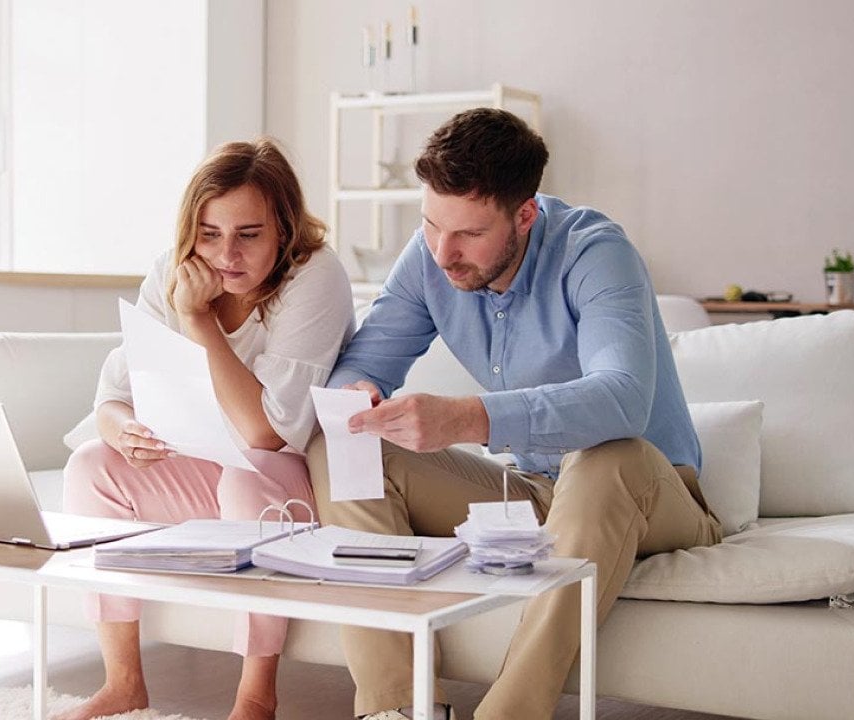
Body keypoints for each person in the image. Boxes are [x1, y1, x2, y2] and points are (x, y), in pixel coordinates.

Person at [306, 108, 723, 720]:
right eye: (430, 225)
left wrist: (469, 418)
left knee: (607, 455)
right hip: (533, 494)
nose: (443, 254)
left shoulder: (596, 252)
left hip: (647, 494)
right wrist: (360, 395)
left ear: (524, 215)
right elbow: (361, 364)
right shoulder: (430, 257)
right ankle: (397, 708)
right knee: (344, 441)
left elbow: (623, 399)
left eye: (469, 235)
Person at [58, 139, 355, 720]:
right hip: (205, 469)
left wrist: (198, 320)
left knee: (246, 480)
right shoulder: (171, 272)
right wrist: (123, 431)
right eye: (209, 233)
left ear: (284, 231)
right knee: (91, 464)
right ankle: (123, 685)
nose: (226, 256)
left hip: (292, 484)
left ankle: (256, 696)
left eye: (249, 234)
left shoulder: (315, 277)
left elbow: (269, 433)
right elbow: (113, 394)